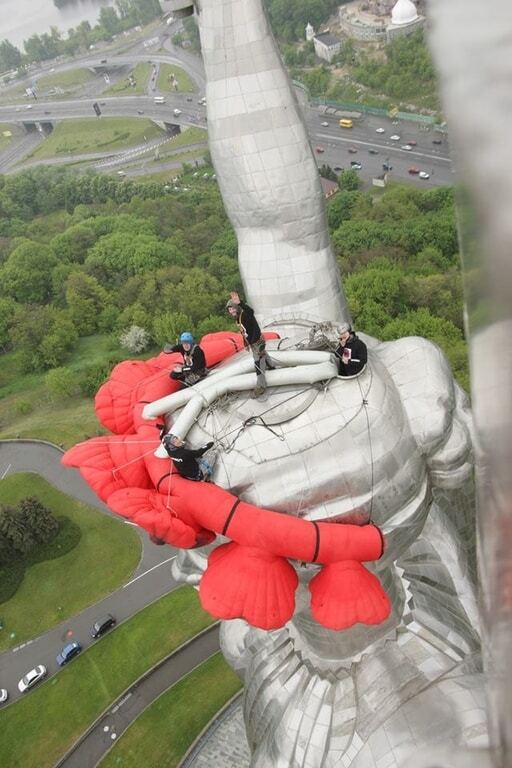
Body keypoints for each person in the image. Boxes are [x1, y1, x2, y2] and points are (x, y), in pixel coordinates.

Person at [226, 291, 274, 396]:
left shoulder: (245, 314)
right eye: (229, 309)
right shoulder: (238, 319)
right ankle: (272, 366)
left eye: (233, 308)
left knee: (258, 363)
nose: (231, 311)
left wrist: (240, 303)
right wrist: (246, 343)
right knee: (263, 355)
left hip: (257, 341)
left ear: (237, 307)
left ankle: (261, 385)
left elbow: (251, 311)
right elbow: (244, 332)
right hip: (253, 342)